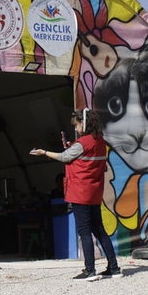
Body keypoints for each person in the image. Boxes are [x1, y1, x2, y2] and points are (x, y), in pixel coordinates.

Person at [31, 108, 122, 281]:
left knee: (84, 231)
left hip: (80, 192)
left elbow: (65, 157)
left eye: (78, 124)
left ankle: (89, 270)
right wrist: (72, 148)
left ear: (85, 123)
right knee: (100, 230)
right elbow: (80, 156)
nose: (76, 127)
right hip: (95, 192)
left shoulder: (82, 143)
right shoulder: (100, 141)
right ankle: (114, 268)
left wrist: (44, 153)